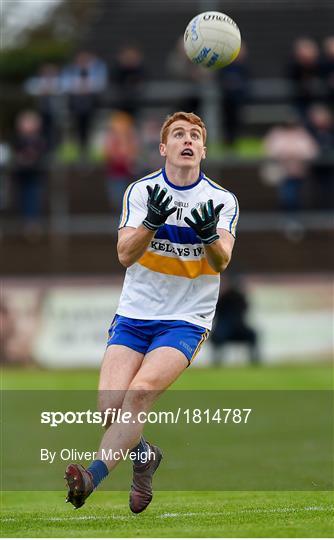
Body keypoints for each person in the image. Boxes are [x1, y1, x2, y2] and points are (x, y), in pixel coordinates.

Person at [64, 111, 239, 513]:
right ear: (164, 148)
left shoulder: (221, 200)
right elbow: (125, 254)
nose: (187, 139)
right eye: (178, 134)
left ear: (203, 150)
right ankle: (145, 457)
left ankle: (90, 477)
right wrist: (151, 223)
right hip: (134, 316)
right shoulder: (141, 192)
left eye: (194, 134)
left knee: (139, 395)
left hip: (186, 320)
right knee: (110, 409)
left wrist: (209, 236)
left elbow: (222, 260)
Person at [263, 120, 319, 210]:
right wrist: (284, 154)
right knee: (287, 197)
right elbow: (269, 150)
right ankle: (288, 219)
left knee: (294, 196)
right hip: (280, 172)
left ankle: (293, 219)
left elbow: (311, 151)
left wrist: (296, 155)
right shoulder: (276, 133)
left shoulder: (301, 133)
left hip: (298, 172)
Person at [210, 278, 259, 366]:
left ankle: (255, 362)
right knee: (217, 336)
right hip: (225, 329)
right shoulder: (223, 298)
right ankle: (216, 362)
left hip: (238, 328)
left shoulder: (240, 298)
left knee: (253, 334)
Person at [104, 111, 140, 215]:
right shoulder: (111, 139)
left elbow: (133, 155)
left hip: (130, 175)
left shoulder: (131, 138)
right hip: (116, 175)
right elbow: (110, 155)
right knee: (118, 201)